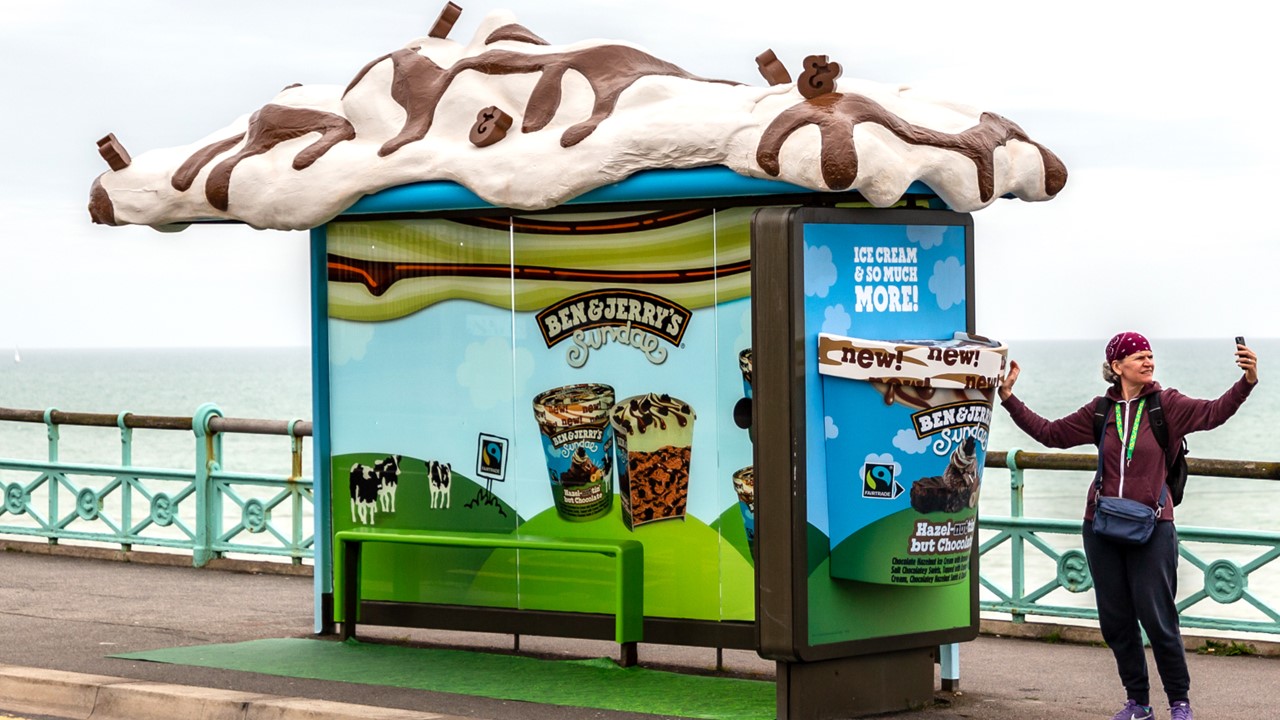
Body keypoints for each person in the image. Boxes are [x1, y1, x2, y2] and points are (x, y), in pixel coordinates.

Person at [997, 333, 1259, 720]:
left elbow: (1214, 412)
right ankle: (1138, 703)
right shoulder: (1101, 410)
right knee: (1116, 621)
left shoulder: (1167, 405)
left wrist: (1247, 382)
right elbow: (1050, 434)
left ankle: (1179, 702)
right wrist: (1007, 398)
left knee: (1159, 619)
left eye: (1151, 355)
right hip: (1101, 526)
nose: (1148, 361)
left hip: (1153, 525)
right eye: (1139, 356)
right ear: (1117, 367)